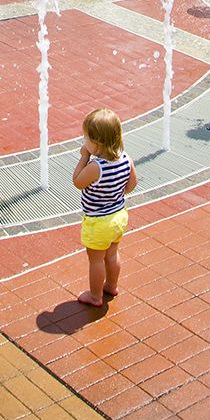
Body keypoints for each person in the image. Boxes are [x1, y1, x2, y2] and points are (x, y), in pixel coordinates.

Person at [72, 107, 137, 307]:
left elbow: (77, 182)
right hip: (118, 216)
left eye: (86, 139)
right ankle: (111, 285)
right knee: (112, 253)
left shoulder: (95, 167)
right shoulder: (125, 159)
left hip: (98, 221)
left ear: (97, 142)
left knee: (96, 260)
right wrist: (114, 193)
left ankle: (95, 296)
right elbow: (131, 185)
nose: (84, 143)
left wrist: (83, 157)